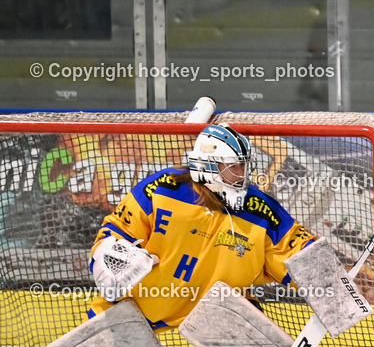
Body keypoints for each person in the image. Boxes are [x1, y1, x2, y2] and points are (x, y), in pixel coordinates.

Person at [88, 123, 315, 328]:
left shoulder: (260, 208)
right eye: (234, 167)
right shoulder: (162, 188)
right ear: (209, 166)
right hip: (141, 302)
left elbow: (297, 252)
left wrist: (333, 277)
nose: (243, 174)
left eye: (245, 166)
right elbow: (116, 231)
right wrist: (112, 258)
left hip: (221, 308)